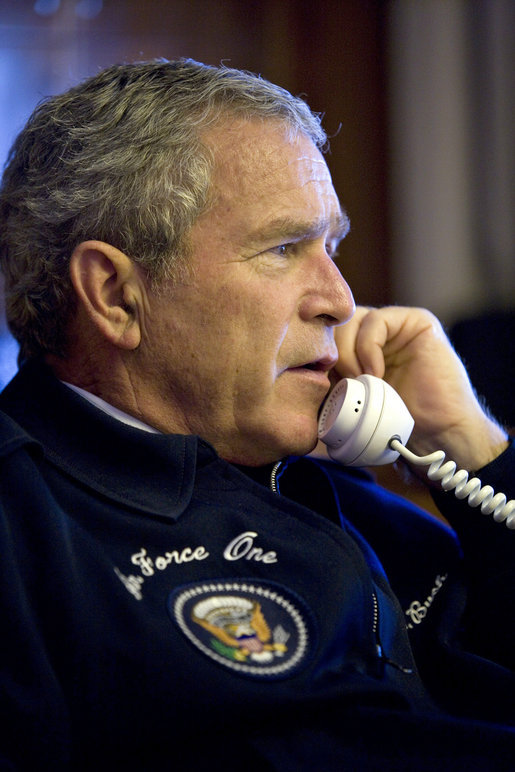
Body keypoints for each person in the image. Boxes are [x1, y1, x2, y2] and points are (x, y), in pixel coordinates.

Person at [0, 59, 513, 771]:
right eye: (282, 248)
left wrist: (473, 449)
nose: (338, 298)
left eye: (330, 247)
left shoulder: (329, 473)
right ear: (115, 295)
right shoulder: (24, 529)